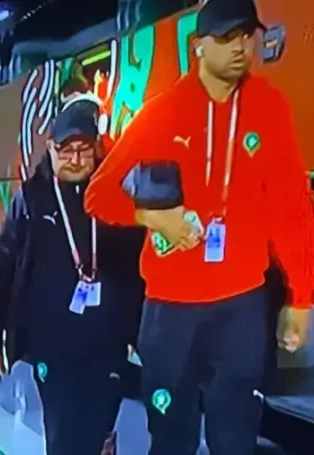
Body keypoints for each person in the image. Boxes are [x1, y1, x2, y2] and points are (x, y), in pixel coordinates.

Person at [84, 1, 313, 453]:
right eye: (226, 38)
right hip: (170, 310)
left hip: (242, 305)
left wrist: (301, 298)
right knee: (171, 436)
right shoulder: (163, 111)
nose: (240, 47)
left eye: (247, 36)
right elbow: (99, 196)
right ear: (198, 46)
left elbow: (291, 208)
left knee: (236, 436)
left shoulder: (269, 107)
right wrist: (154, 218)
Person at [0, 100, 145, 455]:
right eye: (65, 150)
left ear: (96, 148)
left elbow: (138, 268)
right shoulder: (32, 198)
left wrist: (139, 331)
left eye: (83, 149)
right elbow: (3, 266)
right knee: (62, 436)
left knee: (98, 430)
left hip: (107, 342)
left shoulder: (117, 194)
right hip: (51, 344)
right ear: (51, 148)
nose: (74, 159)